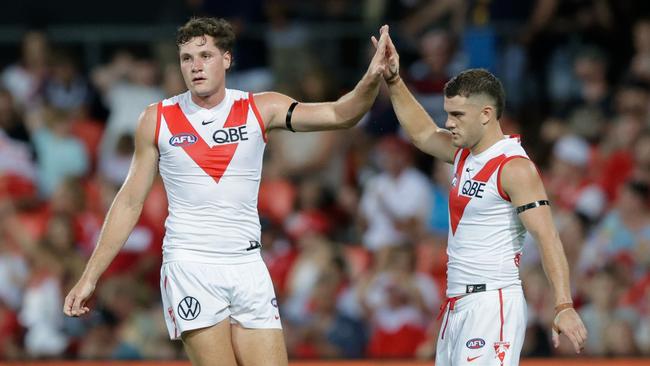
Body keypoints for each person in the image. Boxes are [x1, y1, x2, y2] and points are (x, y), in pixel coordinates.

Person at [63, 18, 391, 366]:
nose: (195, 66)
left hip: (248, 264)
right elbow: (129, 201)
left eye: (205, 55)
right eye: (187, 58)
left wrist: (371, 77)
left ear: (227, 59)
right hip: (191, 264)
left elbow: (341, 113)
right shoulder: (156, 119)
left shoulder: (260, 108)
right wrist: (89, 277)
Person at [371, 30, 588, 365]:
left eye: (457, 115)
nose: (448, 122)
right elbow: (423, 133)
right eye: (447, 113)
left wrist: (563, 305)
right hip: (457, 304)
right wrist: (395, 80)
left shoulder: (514, 168)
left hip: (492, 303)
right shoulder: (465, 155)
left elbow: (548, 238)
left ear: (486, 114)